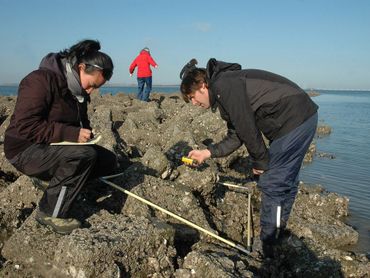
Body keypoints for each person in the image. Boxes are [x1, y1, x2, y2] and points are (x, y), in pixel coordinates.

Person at [180, 58, 318, 258]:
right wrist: (206, 152)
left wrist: (260, 162)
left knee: (272, 182)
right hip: (299, 118)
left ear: (202, 86)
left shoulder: (224, 85)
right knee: (283, 180)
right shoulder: (224, 88)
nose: (194, 103)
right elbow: (237, 134)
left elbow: (247, 129)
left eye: (192, 97)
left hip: (294, 119)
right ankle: (278, 234)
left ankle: (269, 244)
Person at [4, 39, 117, 235]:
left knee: (108, 161)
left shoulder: (76, 88)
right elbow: (25, 125)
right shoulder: (40, 81)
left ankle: (56, 182)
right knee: (83, 156)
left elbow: (80, 122)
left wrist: (87, 136)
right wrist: (70, 134)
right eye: (91, 85)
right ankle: (50, 213)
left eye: (96, 88)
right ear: (81, 67)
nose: (90, 91)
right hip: (25, 150)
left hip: (51, 146)